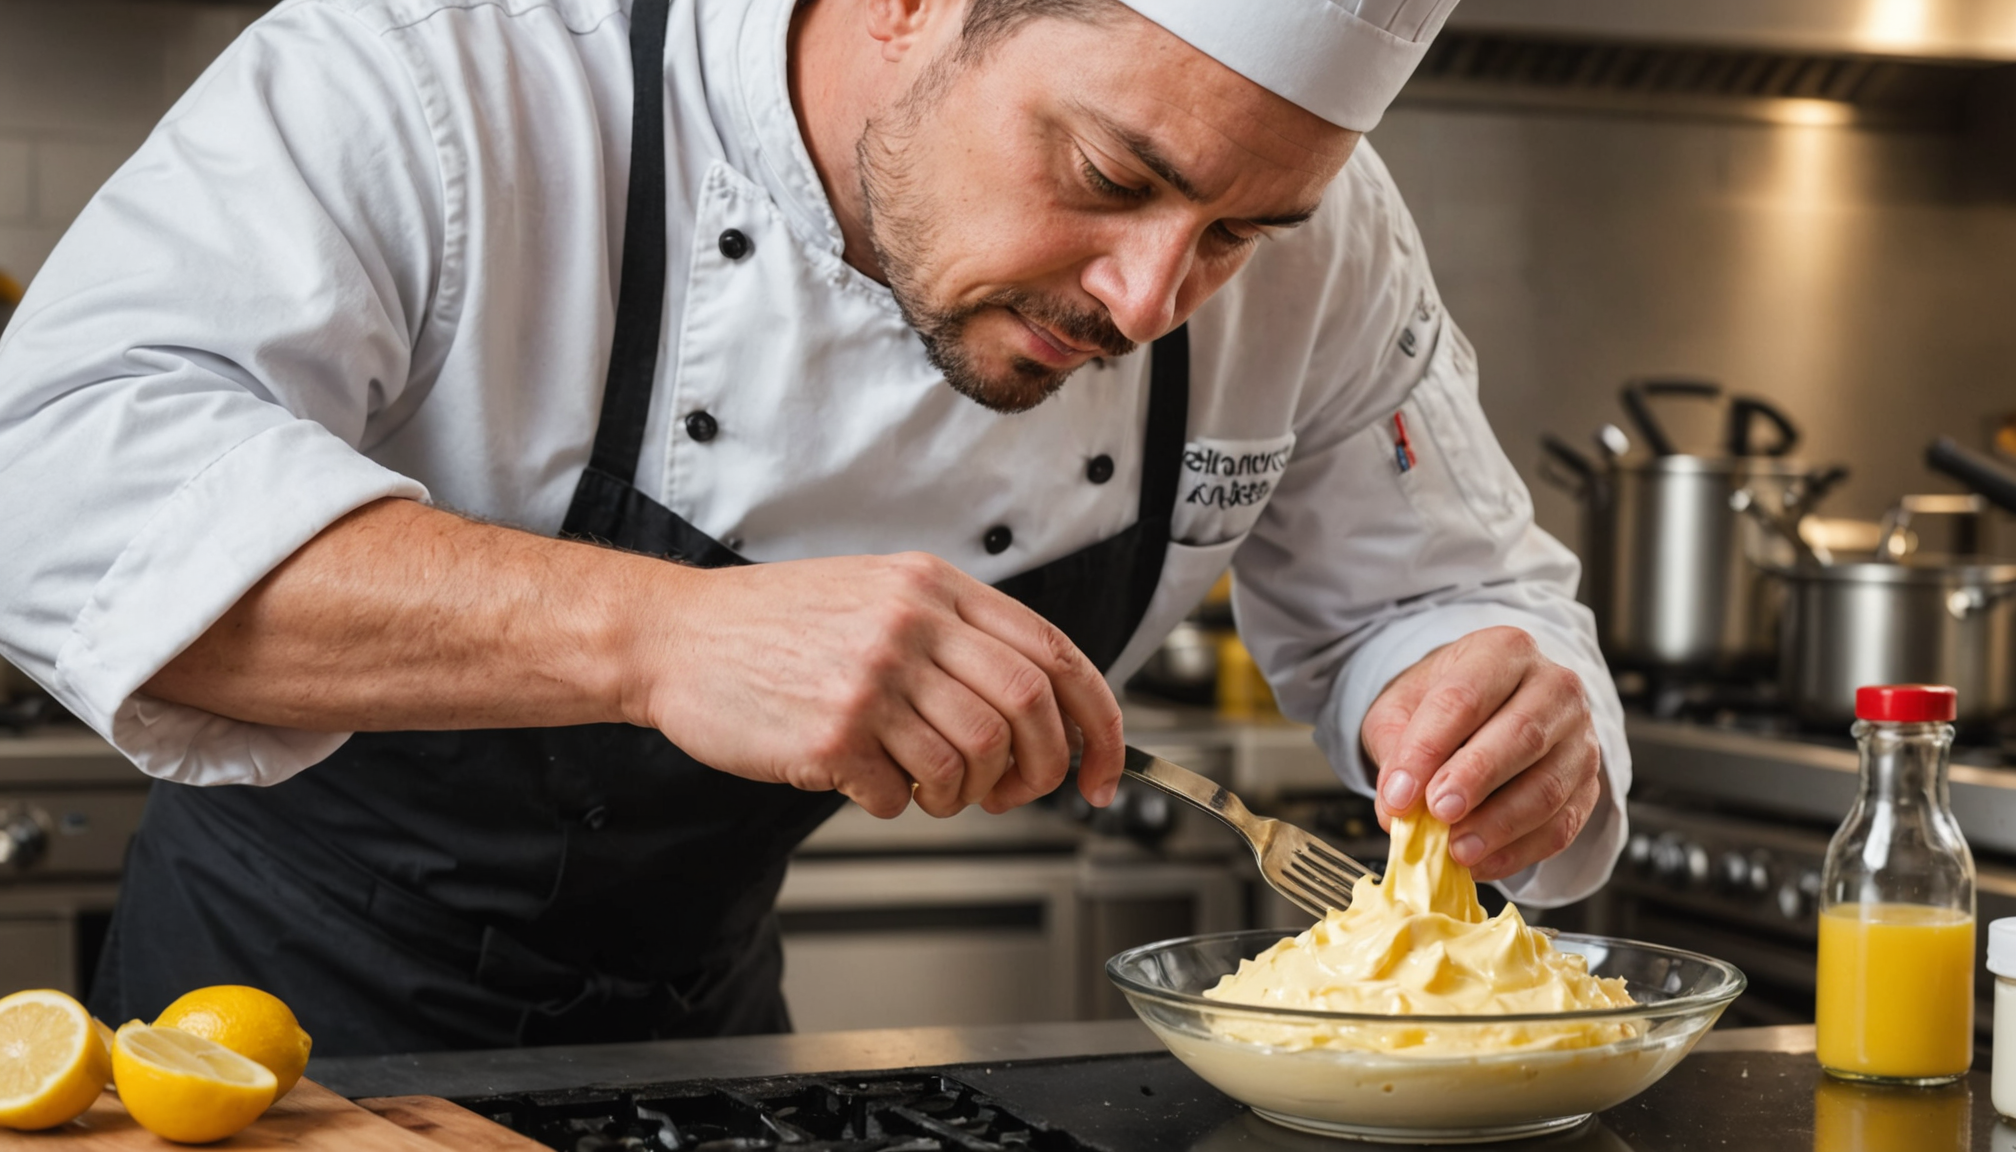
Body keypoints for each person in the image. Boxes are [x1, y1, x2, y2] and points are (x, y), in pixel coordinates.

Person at [0, 0, 1627, 1055]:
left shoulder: (1317, 245)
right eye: (1106, 173)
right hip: (277, 1030)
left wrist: (1489, 699)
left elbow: (1442, 589)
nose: (1150, 299)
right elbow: (52, 487)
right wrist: (657, 634)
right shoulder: (448, 77)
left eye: (1237, 236)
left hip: (703, 1037)